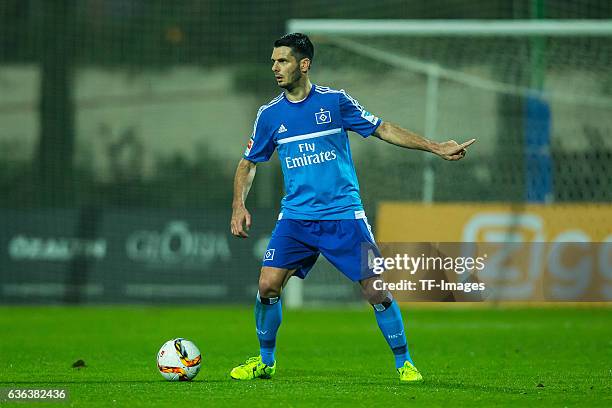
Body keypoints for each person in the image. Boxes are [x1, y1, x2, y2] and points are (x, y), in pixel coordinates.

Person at [229, 33, 475, 382]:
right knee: (267, 285)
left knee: (375, 289)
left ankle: (404, 362)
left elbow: (383, 128)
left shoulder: (335, 102)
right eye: (273, 61)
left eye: (281, 60)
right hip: (296, 219)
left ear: (304, 64)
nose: (275, 67)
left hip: (344, 216)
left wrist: (434, 147)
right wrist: (239, 204)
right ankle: (265, 361)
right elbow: (248, 162)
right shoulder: (269, 115)